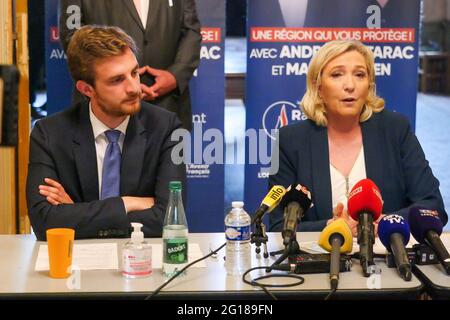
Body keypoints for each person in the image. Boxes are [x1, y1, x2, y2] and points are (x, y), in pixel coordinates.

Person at [268, 40, 447, 235]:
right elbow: (279, 225)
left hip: (386, 258)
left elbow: (433, 207)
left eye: (359, 75)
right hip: (322, 260)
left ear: (369, 85)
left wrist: (388, 222)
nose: (350, 85)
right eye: (337, 75)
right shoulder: (291, 140)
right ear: (318, 87)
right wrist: (331, 226)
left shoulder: (395, 130)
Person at [26, 25, 186, 241]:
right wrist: (127, 203)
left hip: (142, 261)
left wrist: (77, 212)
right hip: (75, 265)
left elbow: (167, 220)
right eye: (117, 80)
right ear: (86, 89)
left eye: (134, 73)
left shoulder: (166, 128)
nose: (134, 88)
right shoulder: (48, 135)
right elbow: (45, 223)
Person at [59, 0, 201, 131]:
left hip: (168, 102)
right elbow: (72, 34)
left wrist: (174, 76)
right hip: (105, 112)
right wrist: (119, 79)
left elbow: (191, 29)